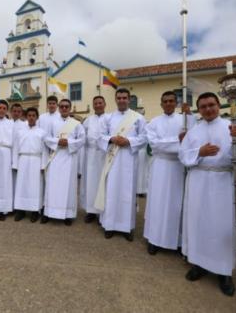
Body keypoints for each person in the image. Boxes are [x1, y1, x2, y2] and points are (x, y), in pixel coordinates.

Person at [179, 92, 236, 296]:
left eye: (211, 105)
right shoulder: (194, 130)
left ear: (218, 105)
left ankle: (224, 273)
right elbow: (182, 155)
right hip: (198, 182)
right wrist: (199, 153)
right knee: (198, 223)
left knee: (221, 226)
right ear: (199, 109)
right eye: (203, 106)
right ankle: (198, 264)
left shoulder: (233, 126)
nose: (207, 109)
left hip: (222, 183)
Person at [143, 91, 195, 255]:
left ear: (176, 103)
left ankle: (178, 241)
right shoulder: (153, 123)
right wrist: (178, 141)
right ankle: (154, 239)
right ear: (161, 104)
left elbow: (193, 137)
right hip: (160, 166)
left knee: (177, 204)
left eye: (171, 101)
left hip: (178, 166)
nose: (168, 104)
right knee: (157, 203)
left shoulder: (184, 120)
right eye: (165, 101)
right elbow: (155, 145)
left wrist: (190, 115)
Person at [95, 88, 147, 241]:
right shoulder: (108, 118)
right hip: (112, 160)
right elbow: (100, 136)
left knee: (127, 193)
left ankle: (126, 228)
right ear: (116, 99)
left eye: (125, 97)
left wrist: (129, 141)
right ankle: (109, 225)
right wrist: (112, 139)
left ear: (129, 99)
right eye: (119, 98)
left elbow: (145, 137)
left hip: (129, 161)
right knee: (111, 192)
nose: (122, 100)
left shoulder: (138, 118)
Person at [42, 99, 85, 225]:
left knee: (69, 186)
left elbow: (82, 139)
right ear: (59, 108)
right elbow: (46, 137)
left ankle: (68, 214)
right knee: (52, 185)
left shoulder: (77, 124)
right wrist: (57, 142)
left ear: (70, 108)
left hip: (70, 158)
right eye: (62, 106)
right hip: (55, 157)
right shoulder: (52, 122)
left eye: (67, 106)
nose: (64, 108)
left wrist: (69, 143)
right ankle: (49, 213)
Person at [12, 107, 48, 222]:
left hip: (36, 160)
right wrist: (15, 164)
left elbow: (45, 151)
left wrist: (43, 165)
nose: (31, 117)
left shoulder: (42, 132)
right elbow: (16, 148)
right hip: (23, 160)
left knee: (35, 186)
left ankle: (34, 211)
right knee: (22, 186)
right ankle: (20, 211)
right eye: (29, 115)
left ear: (37, 117)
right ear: (26, 117)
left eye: (33, 115)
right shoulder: (20, 132)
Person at [79, 95, 107, 223]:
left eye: (100, 103)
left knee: (103, 183)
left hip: (104, 155)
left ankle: (102, 212)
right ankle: (90, 211)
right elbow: (82, 138)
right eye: (95, 103)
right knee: (90, 183)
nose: (98, 105)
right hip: (90, 155)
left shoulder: (109, 119)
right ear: (93, 105)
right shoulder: (88, 120)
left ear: (104, 104)